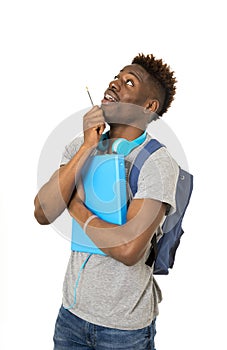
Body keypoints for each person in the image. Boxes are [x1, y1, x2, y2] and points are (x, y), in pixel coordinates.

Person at [34, 53, 178, 350]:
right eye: (116, 76)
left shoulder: (156, 163)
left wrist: (74, 206)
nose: (115, 83)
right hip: (71, 318)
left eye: (129, 82)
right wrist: (88, 145)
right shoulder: (82, 144)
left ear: (149, 106)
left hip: (124, 331)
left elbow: (128, 249)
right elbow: (43, 211)